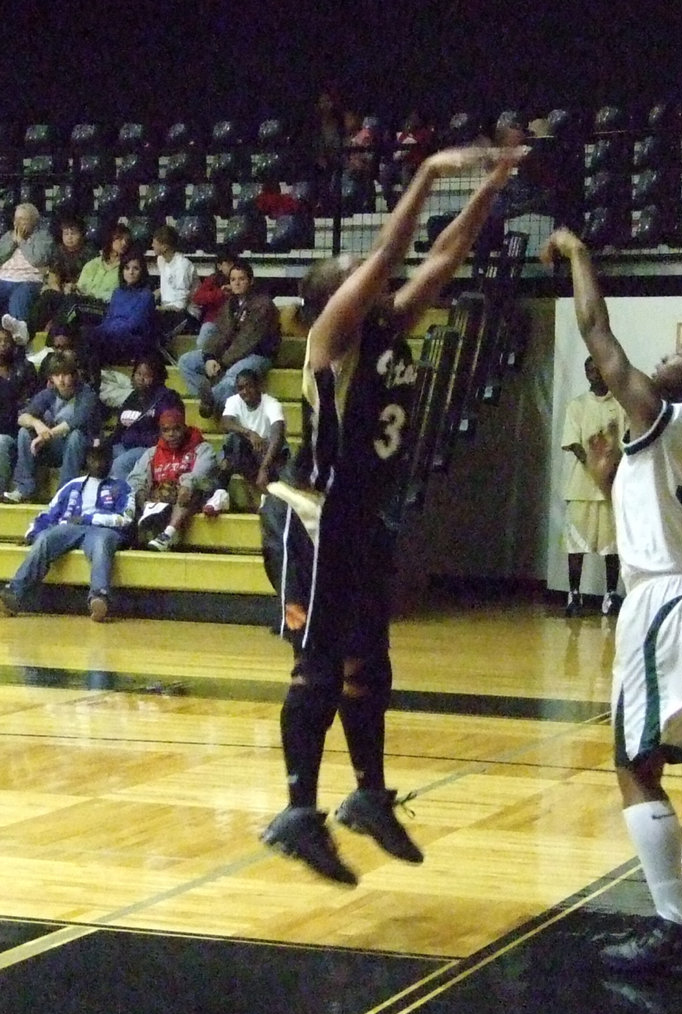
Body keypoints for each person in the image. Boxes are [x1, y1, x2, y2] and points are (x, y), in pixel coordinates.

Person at [259, 144, 525, 886]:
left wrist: (490, 189)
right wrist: (432, 175)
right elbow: (391, 251)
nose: (377, 279)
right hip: (311, 514)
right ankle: (296, 814)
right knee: (317, 668)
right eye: (357, 280)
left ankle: (368, 797)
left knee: (368, 668)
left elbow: (444, 255)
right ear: (334, 296)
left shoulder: (389, 328)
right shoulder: (330, 341)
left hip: (362, 519)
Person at [541, 227, 682, 972]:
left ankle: (671, 924)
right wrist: (612, 482)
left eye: (680, 356)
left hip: (670, 598)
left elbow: (596, 331)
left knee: (635, 764)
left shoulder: (661, 415)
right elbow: (672, 506)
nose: (664, 359)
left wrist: (579, 255)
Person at [0, 438, 134, 622]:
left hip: (102, 530)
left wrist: (89, 518)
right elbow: (49, 512)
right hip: (69, 528)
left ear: (110, 459)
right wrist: (34, 531)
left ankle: (99, 597)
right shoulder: (72, 485)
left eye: (102, 458)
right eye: (93, 458)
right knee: (45, 537)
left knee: (102, 544)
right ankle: (13, 594)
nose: (98, 463)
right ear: (86, 460)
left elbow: (126, 518)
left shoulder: (122, 487)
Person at [561, 355, 625, 617]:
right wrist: (594, 464)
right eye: (588, 370)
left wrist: (610, 467)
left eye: (597, 369)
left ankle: (610, 595)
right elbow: (574, 442)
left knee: (613, 547)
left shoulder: (620, 405)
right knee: (576, 545)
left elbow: (627, 441)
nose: (593, 374)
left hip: (611, 487)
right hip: (581, 487)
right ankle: (574, 594)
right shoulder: (577, 405)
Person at [176, 259, 281, 419]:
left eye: (241, 279)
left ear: (251, 281)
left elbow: (247, 341)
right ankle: (208, 400)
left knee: (232, 375)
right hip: (229, 354)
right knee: (186, 361)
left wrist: (223, 363)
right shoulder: (230, 303)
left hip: (258, 355)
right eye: (233, 280)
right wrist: (210, 357)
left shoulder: (263, 304)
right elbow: (219, 333)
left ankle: (212, 402)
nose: (237, 283)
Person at [4, 351, 100, 503]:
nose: (61, 380)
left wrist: (46, 434)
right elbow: (22, 417)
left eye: (65, 374)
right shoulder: (49, 393)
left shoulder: (87, 394)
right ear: (51, 378)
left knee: (76, 435)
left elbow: (77, 421)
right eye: (57, 375)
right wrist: (37, 424)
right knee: (24, 432)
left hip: (81, 449)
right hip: (53, 447)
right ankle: (24, 488)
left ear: (73, 375)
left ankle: (64, 491)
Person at [127, 398, 218, 551]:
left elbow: (202, 473)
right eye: (166, 430)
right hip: (159, 501)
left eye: (176, 429)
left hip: (191, 497)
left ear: (184, 427)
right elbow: (135, 478)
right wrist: (141, 495)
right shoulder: (153, 452)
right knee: (135, 495)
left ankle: (167, 535)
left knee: (190, 489)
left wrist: (186, 484)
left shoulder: (202, 448)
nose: (172, 434)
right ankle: (138, 541)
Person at [202, 368, 287, 516]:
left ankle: (266, 495)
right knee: (233, 440)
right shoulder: (234, 401)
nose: (245, 391)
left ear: (259, 386)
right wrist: (249, 433)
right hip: (246, 457)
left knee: (273, 446)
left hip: (269, 457)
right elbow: (225, 423)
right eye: (240, 388)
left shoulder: (272, 404)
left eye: (249, 386)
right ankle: (220, 493)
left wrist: (264, 468)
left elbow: (278, 435)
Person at [107, 353, 182, 480]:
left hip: (150, 449)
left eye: (147, 375)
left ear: (157, 377)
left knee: (119, 465)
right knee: (100, 460)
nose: (141, 379)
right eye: (138, 374)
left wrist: (134, 439)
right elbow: (119, 430)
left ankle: (129, 496)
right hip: (126, 446)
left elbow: (166, 433)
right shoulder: (132, 397)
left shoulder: (167, 398)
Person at [80, 251, 156, 371]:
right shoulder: (117, 292)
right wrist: (101, 330)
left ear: (142, 272)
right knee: (85, 333)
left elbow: (135, 324)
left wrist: (106, 331)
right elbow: (108, 318)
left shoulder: (146, 295)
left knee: (97, 339)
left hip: (133, 339)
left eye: (135, 268)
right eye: (127, 268)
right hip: (111, 335)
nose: (130, 272)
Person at [0, 203, 54, 331]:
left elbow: (38, 260)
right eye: (16, 219)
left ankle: (20, 337)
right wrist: (13, 241)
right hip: (4, 278)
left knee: (19, 299)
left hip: (29, 280)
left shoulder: (43, 237)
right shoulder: (8, 236)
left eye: (22, 219)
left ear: (34, 221)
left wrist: (22, 242)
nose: (18, 222)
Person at [0, 328, 39, 493]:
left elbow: (30, 402)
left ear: (14, 344)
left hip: (23, 431)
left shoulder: (25, 368)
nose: (2, 345)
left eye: (6, 341)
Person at [151, 225, 199, 338]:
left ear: (165, 247)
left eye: (155, 243)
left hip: (186, 314)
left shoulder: (183, 265)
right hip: (167, 310)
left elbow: (180, 305)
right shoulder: (161, 260)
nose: (152, 245)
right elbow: (167, 285)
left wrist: (161, 309)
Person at [191, 247, 235, 350]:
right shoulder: (213, 280)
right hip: (214, 321)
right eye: (228, 264)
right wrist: (220, 293)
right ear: (219, 266)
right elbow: (198, 298)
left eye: (234, 264)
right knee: (203, 340)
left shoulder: (241, 280)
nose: (232, 267)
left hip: (234, 322)